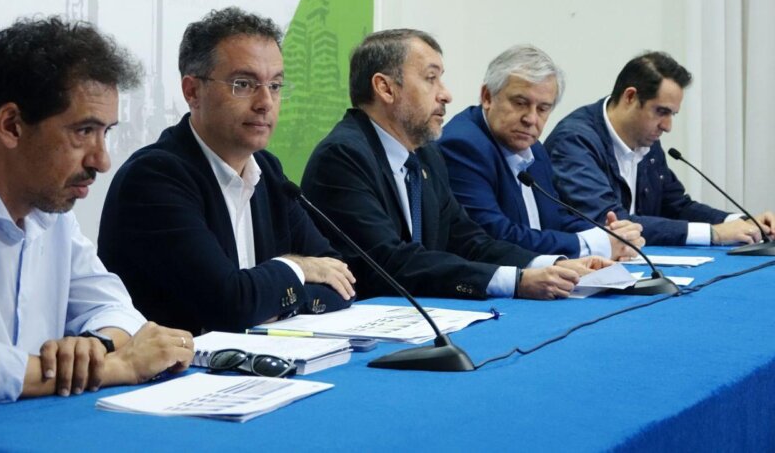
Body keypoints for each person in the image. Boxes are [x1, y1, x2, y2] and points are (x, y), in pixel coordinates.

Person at [0, 17, 193, 403]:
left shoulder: (51, 213)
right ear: (11, 125)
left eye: (105, 132)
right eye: (83, 132)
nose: (102, 160)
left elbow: (114, 307)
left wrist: (93, 347)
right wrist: (115, 367)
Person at [98, 8, 355, 336]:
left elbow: (340, 279)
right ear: (193, 92)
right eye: (244, 84)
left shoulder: (269, 173)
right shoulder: (155, 178)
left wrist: (274, 298)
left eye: (275, 86)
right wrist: (299, 268)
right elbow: (231, 306)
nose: (265, 102)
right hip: (178, 379)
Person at [302, 29, 611, 301]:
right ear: (385, 88)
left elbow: (468, 240)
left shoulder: (426, 156)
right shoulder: (343, 156)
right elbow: (392, 262)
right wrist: (515, 282)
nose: (446, 94)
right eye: (431, 78)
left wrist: (548, 265)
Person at [544, 51, 775, 246]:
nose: (667, 126)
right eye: (661, 112)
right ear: (631, 97)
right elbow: (612, 223)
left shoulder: (646, 140)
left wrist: (741, 222)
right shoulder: (574, 141)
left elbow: (676, 206)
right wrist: (713, 234)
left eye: (672, 114)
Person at [438, 45, 644, 260]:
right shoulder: (462, 146)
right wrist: (594, 244)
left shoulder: (532, 146)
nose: (531, 119)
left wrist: (606, 234)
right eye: (520, 103)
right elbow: (495, 235)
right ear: (487, 97)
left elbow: (555, 217)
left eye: (543, 108)